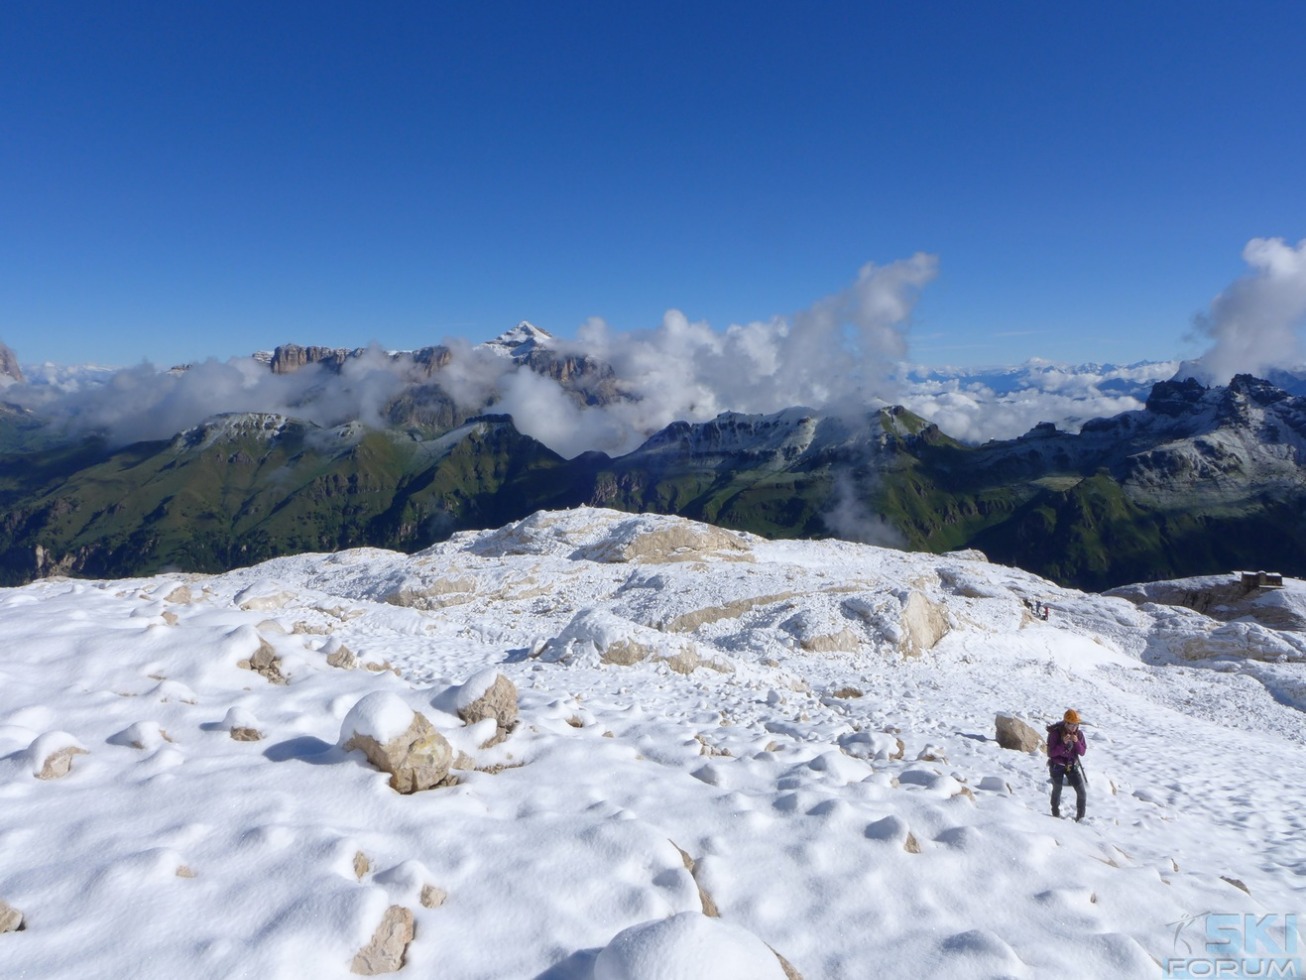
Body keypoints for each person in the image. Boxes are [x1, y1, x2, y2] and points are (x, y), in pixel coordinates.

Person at [1046, 709, 1087, 821]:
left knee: (1082, 792)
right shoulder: (1055, 733)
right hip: (1057, 766)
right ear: (1066, 723)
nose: (1074, 727)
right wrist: (1063, 744)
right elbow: (1051, 753)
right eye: (1072, 724)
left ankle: (1081, 818)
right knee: (1057, 789)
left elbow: (1082, 752)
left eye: (1076, 724)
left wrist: (1077, 742)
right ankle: (1055, 813)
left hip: (1072, 766)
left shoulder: (1079, 734)